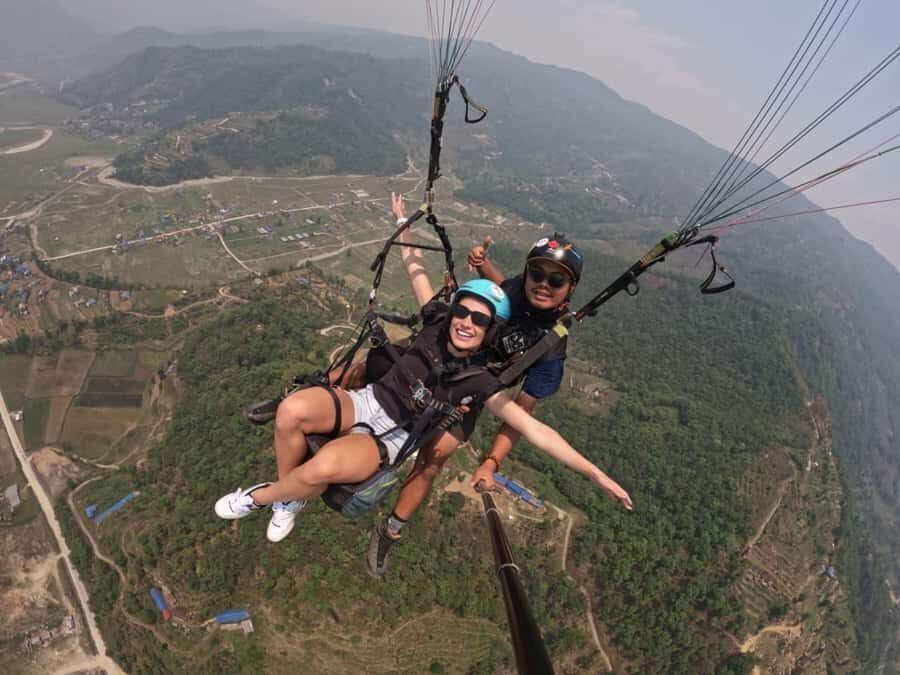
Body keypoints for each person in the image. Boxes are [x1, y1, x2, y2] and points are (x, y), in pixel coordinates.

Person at [215, 195, 632, 549]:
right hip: (382, 393)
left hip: (423, 415)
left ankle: (336, 515)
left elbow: (532, 425)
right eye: (462, 312)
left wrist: (583, 472)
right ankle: (289, 488)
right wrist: (405, 222)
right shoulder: (455, 315)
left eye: (554, 280)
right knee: (321, 391)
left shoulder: (509, 365)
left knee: (423, 459)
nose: (467, 321)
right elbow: (419, 269)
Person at [366, 200, 591, 578]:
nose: (543, 284)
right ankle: (308, 401)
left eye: (556, 280)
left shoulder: (552, 346)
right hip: (441, 356)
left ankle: (391, 530)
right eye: (537, 273)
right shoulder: (518, 290)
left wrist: (491, 462)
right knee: (369, 366)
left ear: (569, 289)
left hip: (471, 392)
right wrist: (478, 261)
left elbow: (522, 414)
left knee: (434, 459)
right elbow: (503, 288)